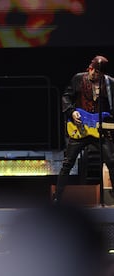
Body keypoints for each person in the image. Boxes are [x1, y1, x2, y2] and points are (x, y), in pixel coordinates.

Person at [54, 55, 114, 203]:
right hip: (80, 127)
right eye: (93, 71)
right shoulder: (78, 79)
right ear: (90, 68)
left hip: (100, 129)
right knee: (68, 163)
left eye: (98, 74)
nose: (94, 75)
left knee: (112, 161)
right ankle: (57, 198)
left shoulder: (110, 83)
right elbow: (66, 97)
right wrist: (72, 111)